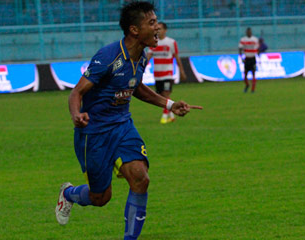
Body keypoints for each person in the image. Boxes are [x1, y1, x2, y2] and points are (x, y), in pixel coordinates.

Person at [55, 2, 202, 240]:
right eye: (152, 23)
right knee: (100, 198)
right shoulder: (108, 57)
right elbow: (77, 92)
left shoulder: (141, 58)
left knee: (141, 179)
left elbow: (136, 87)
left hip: (123, 126)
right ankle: (69, 194)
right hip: (94, 133)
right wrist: (76, 115)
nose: (158, 28)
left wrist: (170, 104)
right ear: (135, 30)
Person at [147, 21, 187, 124]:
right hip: (157, 74)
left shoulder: (171, 42)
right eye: (157, 29)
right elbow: (148, 56)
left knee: (166, 94)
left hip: (167, 73)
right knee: (161, 95)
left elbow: (176, 57)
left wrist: (181, 71)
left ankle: (165, 115)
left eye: (160, 29)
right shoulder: (153, 42)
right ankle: (171, 115)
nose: (158, 31)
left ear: (165, 30)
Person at [239, 27, 259, 93]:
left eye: (249, 32)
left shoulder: (255, 39)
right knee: (245, 75)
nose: (249, 33)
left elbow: (257, 48)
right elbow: (240, 49)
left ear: (251, 32)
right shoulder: (243, 39)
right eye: (248, 32)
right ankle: (247, 85)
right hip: (247, 58)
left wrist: (258, 54)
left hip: (253, 58)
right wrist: (241, 57)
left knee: (253, 74)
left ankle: (253, 89)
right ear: (246, 32)